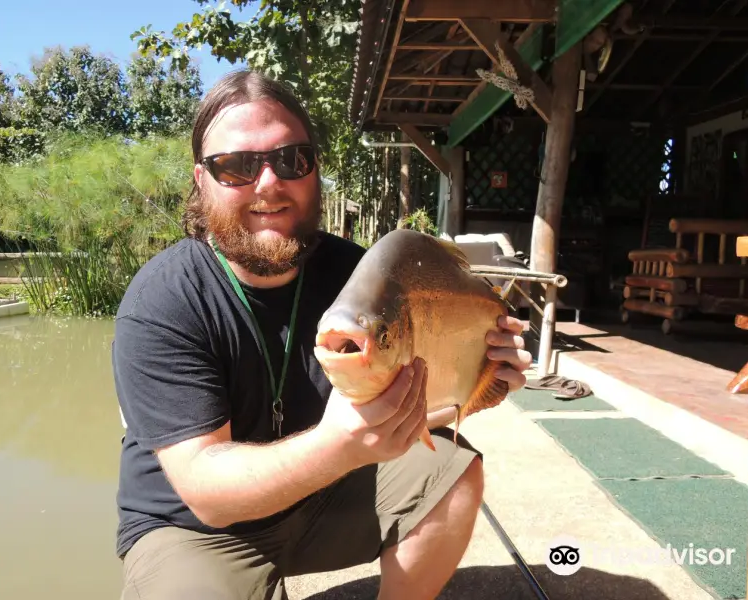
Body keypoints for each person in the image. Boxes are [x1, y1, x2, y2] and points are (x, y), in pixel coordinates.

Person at [112, 69, 532, 600]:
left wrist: (487, 378)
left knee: (451, 472)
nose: (268, 183)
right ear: (201, 181)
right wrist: (339, 446)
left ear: (315, 171)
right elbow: (207, 492)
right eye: (236, 167)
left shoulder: (361, 280)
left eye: (291, 160)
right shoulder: (163, 300)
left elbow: (404, 409)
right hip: (197, 529)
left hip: (325, 496)